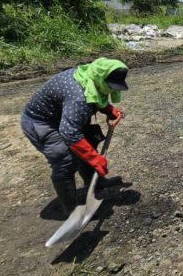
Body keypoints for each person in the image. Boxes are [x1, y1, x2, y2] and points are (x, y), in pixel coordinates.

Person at [20, 58, 128, 218]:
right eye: (110, 86)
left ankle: (95, 182)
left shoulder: (90, 76)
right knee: (64, 158)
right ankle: (71, 210)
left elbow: (95, 94)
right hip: (41, 122)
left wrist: (108, 110)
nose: (111, 91)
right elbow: (69, 132)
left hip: (64, 116)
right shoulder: (78, 96)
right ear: (101, 79)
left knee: (89, 142)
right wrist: (95, 159)